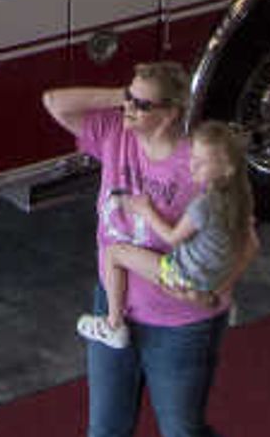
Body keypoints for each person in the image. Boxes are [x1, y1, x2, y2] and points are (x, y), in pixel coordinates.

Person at [42, 60, 265, 437]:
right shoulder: (114, 134)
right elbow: (55, 102)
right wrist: (119, 96)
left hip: (181, 321)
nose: (129, 110)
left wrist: (221, 291)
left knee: (181, 432)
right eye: (129, 99)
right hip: (118, 304)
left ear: (172, 113)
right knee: (105, 434)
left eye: (143, 104)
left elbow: (246, 239)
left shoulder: (199, 162)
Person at [81, 117, 252, 351]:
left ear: (226, 168)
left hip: (183, 275)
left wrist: (146, 210)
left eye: (201, 162)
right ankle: (215, 298)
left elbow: (171, 237)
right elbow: (249, 243)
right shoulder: (240, 197)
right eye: (192, 157)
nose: (191, 166)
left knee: (113, 253)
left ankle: (113, 325)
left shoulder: (203, 205)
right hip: (215, 275)